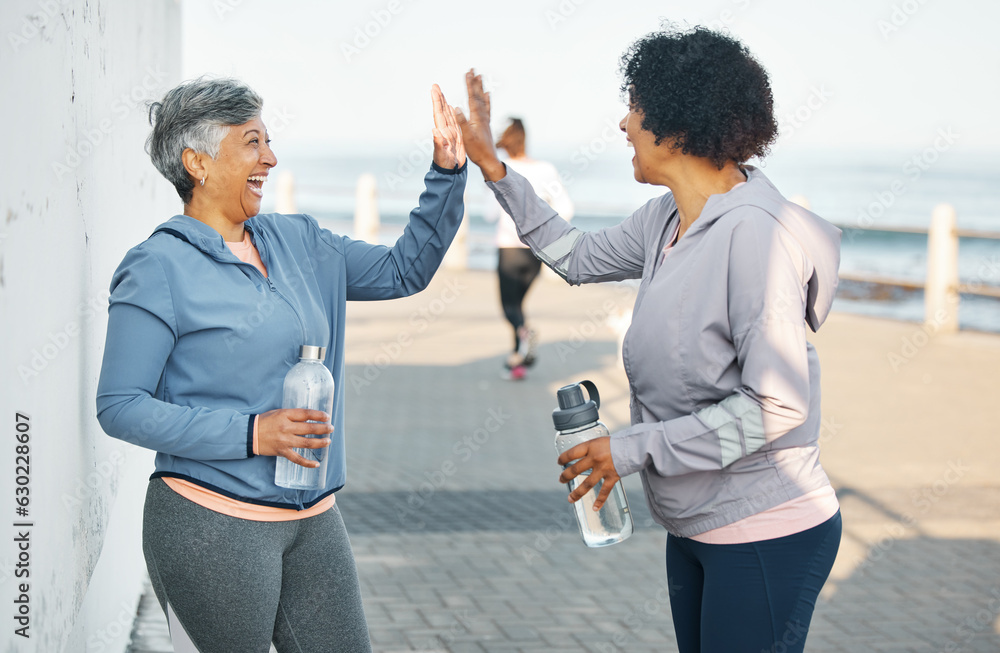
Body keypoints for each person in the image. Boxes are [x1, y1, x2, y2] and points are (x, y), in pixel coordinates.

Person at [454, 25, 842, 653]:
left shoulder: (754, 238)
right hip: (696, 527)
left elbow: (776, 406)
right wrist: (495, 169)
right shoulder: (666, 219)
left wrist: (629, 449)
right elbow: (574, 255)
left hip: (766, 529)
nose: (623, 124)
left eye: (634, 108)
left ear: (678, 124)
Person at [96, 77, 466, 652]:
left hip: (313, 516)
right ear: (198, 162)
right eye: (251, 142)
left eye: (267, 140)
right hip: (208, 522)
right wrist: (253, 433)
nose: (270, 157)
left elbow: (403, 271)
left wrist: (445, 172)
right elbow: (120, 407)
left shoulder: (300, 239)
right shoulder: (157, 267)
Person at [484, 118, 574, 380]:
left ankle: (525, 333)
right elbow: (565, 208)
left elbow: (490, 213)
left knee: (509, 308)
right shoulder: (546, 170)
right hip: (536, 251)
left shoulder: (500, 170)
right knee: (519, 305)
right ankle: (517, 363)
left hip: (509, 249)